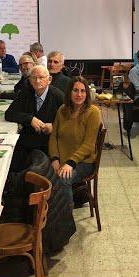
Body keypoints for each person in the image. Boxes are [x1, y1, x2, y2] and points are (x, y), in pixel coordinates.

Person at [48, 77, 103, 207]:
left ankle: (65, 222)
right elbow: (53, 137)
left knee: (63, 178)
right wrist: (54, 159)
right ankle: (47, 215)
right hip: (62, 159)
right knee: (41, 173)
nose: (79, 94)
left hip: (83, 162)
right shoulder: (62, 110)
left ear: (87, 94)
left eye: (83, 91)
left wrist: (70, 163)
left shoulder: (93, 112)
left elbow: (88, 146)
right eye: (75, 90)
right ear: (69, 92)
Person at [5, 65, 65, 172]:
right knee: (9, 162)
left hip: (48, 144)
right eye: (34, 78)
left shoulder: (58, 96)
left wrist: (54, 126)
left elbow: (69, 122)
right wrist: (30, 119)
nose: (37, 81)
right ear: (29, 80)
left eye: (41, 77)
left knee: (36, 166)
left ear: (49, 79)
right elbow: (9, 114)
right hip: (27, 142)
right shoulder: (26, 93)